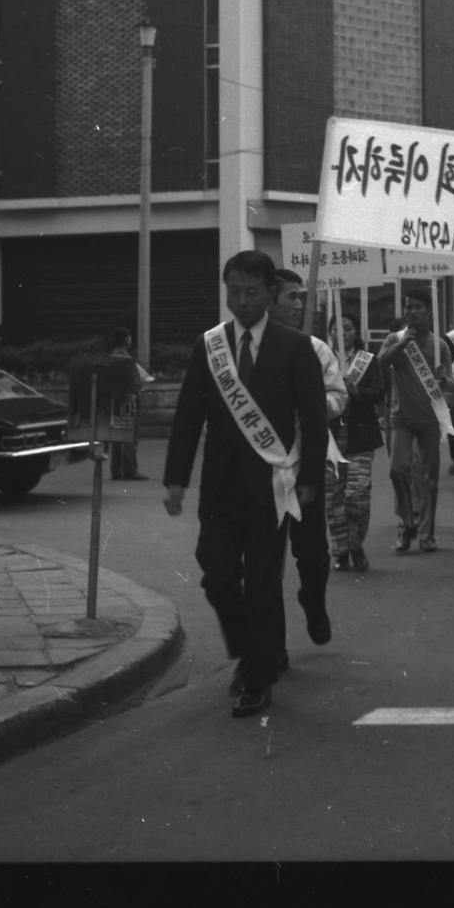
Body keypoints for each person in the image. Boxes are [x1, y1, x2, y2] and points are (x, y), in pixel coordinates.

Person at [162, 251, 327, 718]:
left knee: (260, 583)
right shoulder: (209, 346)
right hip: (220, 486)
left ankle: (257, 678)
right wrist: (176, 478)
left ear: (269, 293)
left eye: (251, 292)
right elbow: (189, 416)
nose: (241, 300)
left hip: (273, 486)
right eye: (233, 291)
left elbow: (314, 419)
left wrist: (310, 479)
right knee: (216, 575)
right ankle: (255, 648)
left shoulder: (296, 347)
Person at [270, 269, 347, 666]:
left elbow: (338, 397)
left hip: (306, 467)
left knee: (313, 554)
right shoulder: (240, 349)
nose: (300, 303)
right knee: (265, 563)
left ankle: (313, 601)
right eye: (290, 296)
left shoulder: (316, 349)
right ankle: (273, 646)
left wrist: (313, 404)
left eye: (302, 296)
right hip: (264, 471)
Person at [377, 288, 454, 553]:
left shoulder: (440, 345)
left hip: (429, 419)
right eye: (408, 307)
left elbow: (451, 386)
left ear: (428, 311)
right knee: (397, 470)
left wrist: (444, 377)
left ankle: (426, 534)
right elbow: (380, 363)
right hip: (401, 418)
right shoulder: (394, 339)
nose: (412, 312)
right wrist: (401, 345)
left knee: (429, 478)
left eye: (418, 307)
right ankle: (407, 521)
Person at [326, 314, 384, 572]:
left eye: (348, 328)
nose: (343, 332)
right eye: (337, 328)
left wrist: (357, 391)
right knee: (334, 498)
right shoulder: (323, 359)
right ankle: (340, 551)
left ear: (356, 331)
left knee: (357, 494)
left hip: (360, 436)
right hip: (330, 439)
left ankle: (356, 543)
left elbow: (379, 392)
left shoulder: (368, 360)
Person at [107, 326, 152, 481]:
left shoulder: (111, 357)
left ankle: (116, 470)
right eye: (130, 337)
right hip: (129, 400)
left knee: (116, 434)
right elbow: (134, 382)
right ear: (126, 339)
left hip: (114, 400)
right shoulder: (127, 359)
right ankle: (130, 470)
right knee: (129, 436)